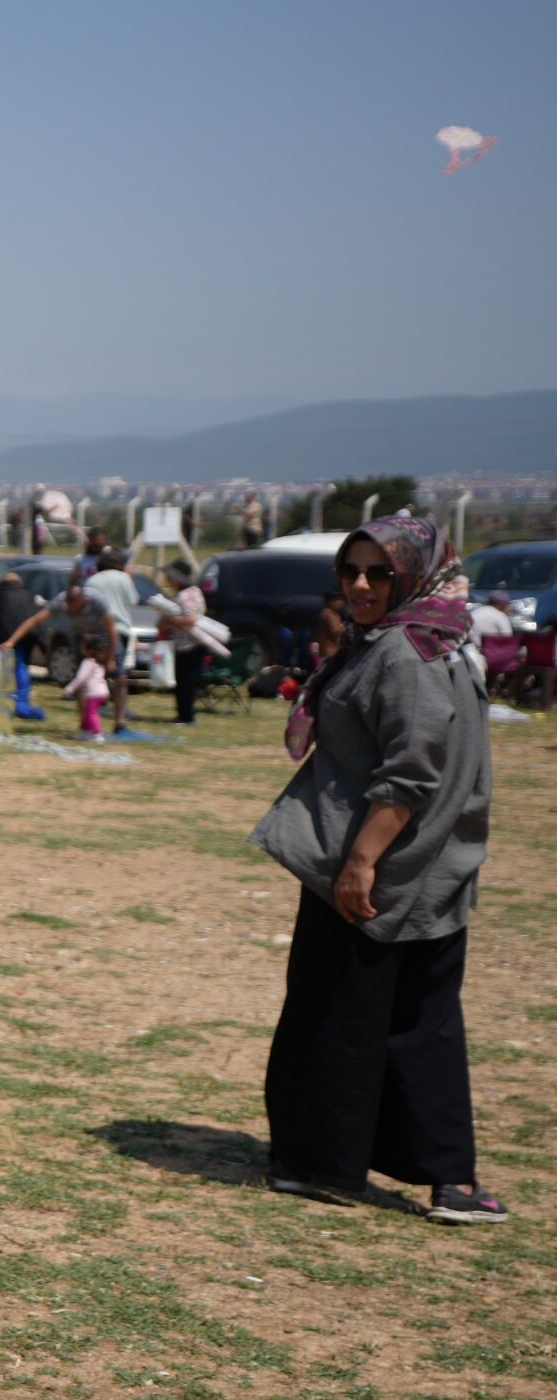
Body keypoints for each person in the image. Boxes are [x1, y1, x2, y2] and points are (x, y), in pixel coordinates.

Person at [251, 515, 503, 1223]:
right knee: (403, 1022)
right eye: (349, 571)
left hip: (380, 872)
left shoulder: (405, 652)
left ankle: (330, 1164)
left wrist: (361, 864)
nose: (360, 585)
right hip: (415, 868)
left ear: (415, 573)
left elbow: (410, 772)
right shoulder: (438, 639)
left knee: (348, 1020)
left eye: (378, 573)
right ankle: (420, 1174)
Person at [150, 558, 219, 725]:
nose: (168, 580)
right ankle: (184, 715)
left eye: (169, 576)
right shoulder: (196, 592)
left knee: (184, 683)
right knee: (186, 682)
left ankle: (186, 717)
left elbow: (190, 619)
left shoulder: (184, 597)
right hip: (195, 644)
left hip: (187, 646)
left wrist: (170, 620)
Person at [80, 550, 142, 735]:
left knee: (94, 673)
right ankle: (119, 720)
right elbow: (134, 600)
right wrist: (129, 577)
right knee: (120, 676)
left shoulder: (92, 580)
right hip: (119, 628)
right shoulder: (124, 578)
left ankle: (89, 717)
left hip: (97, 628)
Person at [0, 571, 47, 720]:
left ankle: (20, 703)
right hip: (31, 634)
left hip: (9, 633)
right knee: (23, 665)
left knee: (16, 665)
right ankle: (22, 699)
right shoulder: (28, 593)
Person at [61, 629, 112, 739]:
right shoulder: (99, 662)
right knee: (87, 712)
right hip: (102, 693)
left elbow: (80, 678)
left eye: (82, 646)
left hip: (94, 694)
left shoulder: (87, 662)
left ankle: (98, 735)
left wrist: (69, 689)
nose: (80, 648)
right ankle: (84, 731)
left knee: (91, 714)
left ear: (88, 649)